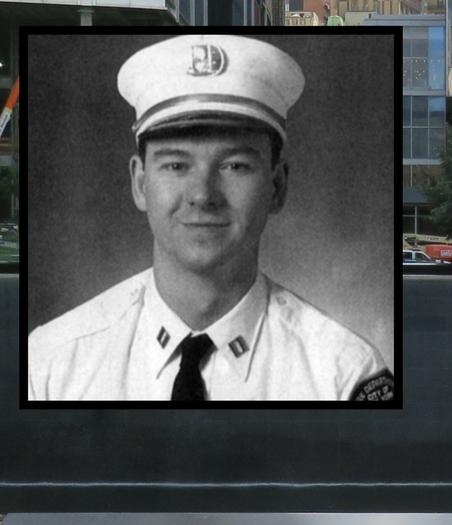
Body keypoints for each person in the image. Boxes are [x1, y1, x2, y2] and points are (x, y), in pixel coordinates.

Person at [27, 35, 393, 403]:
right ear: (140, 183)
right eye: (176, 165)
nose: (203, 195)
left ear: (277, 186)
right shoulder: (50, 364)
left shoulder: (344, 376)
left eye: (235, 165)